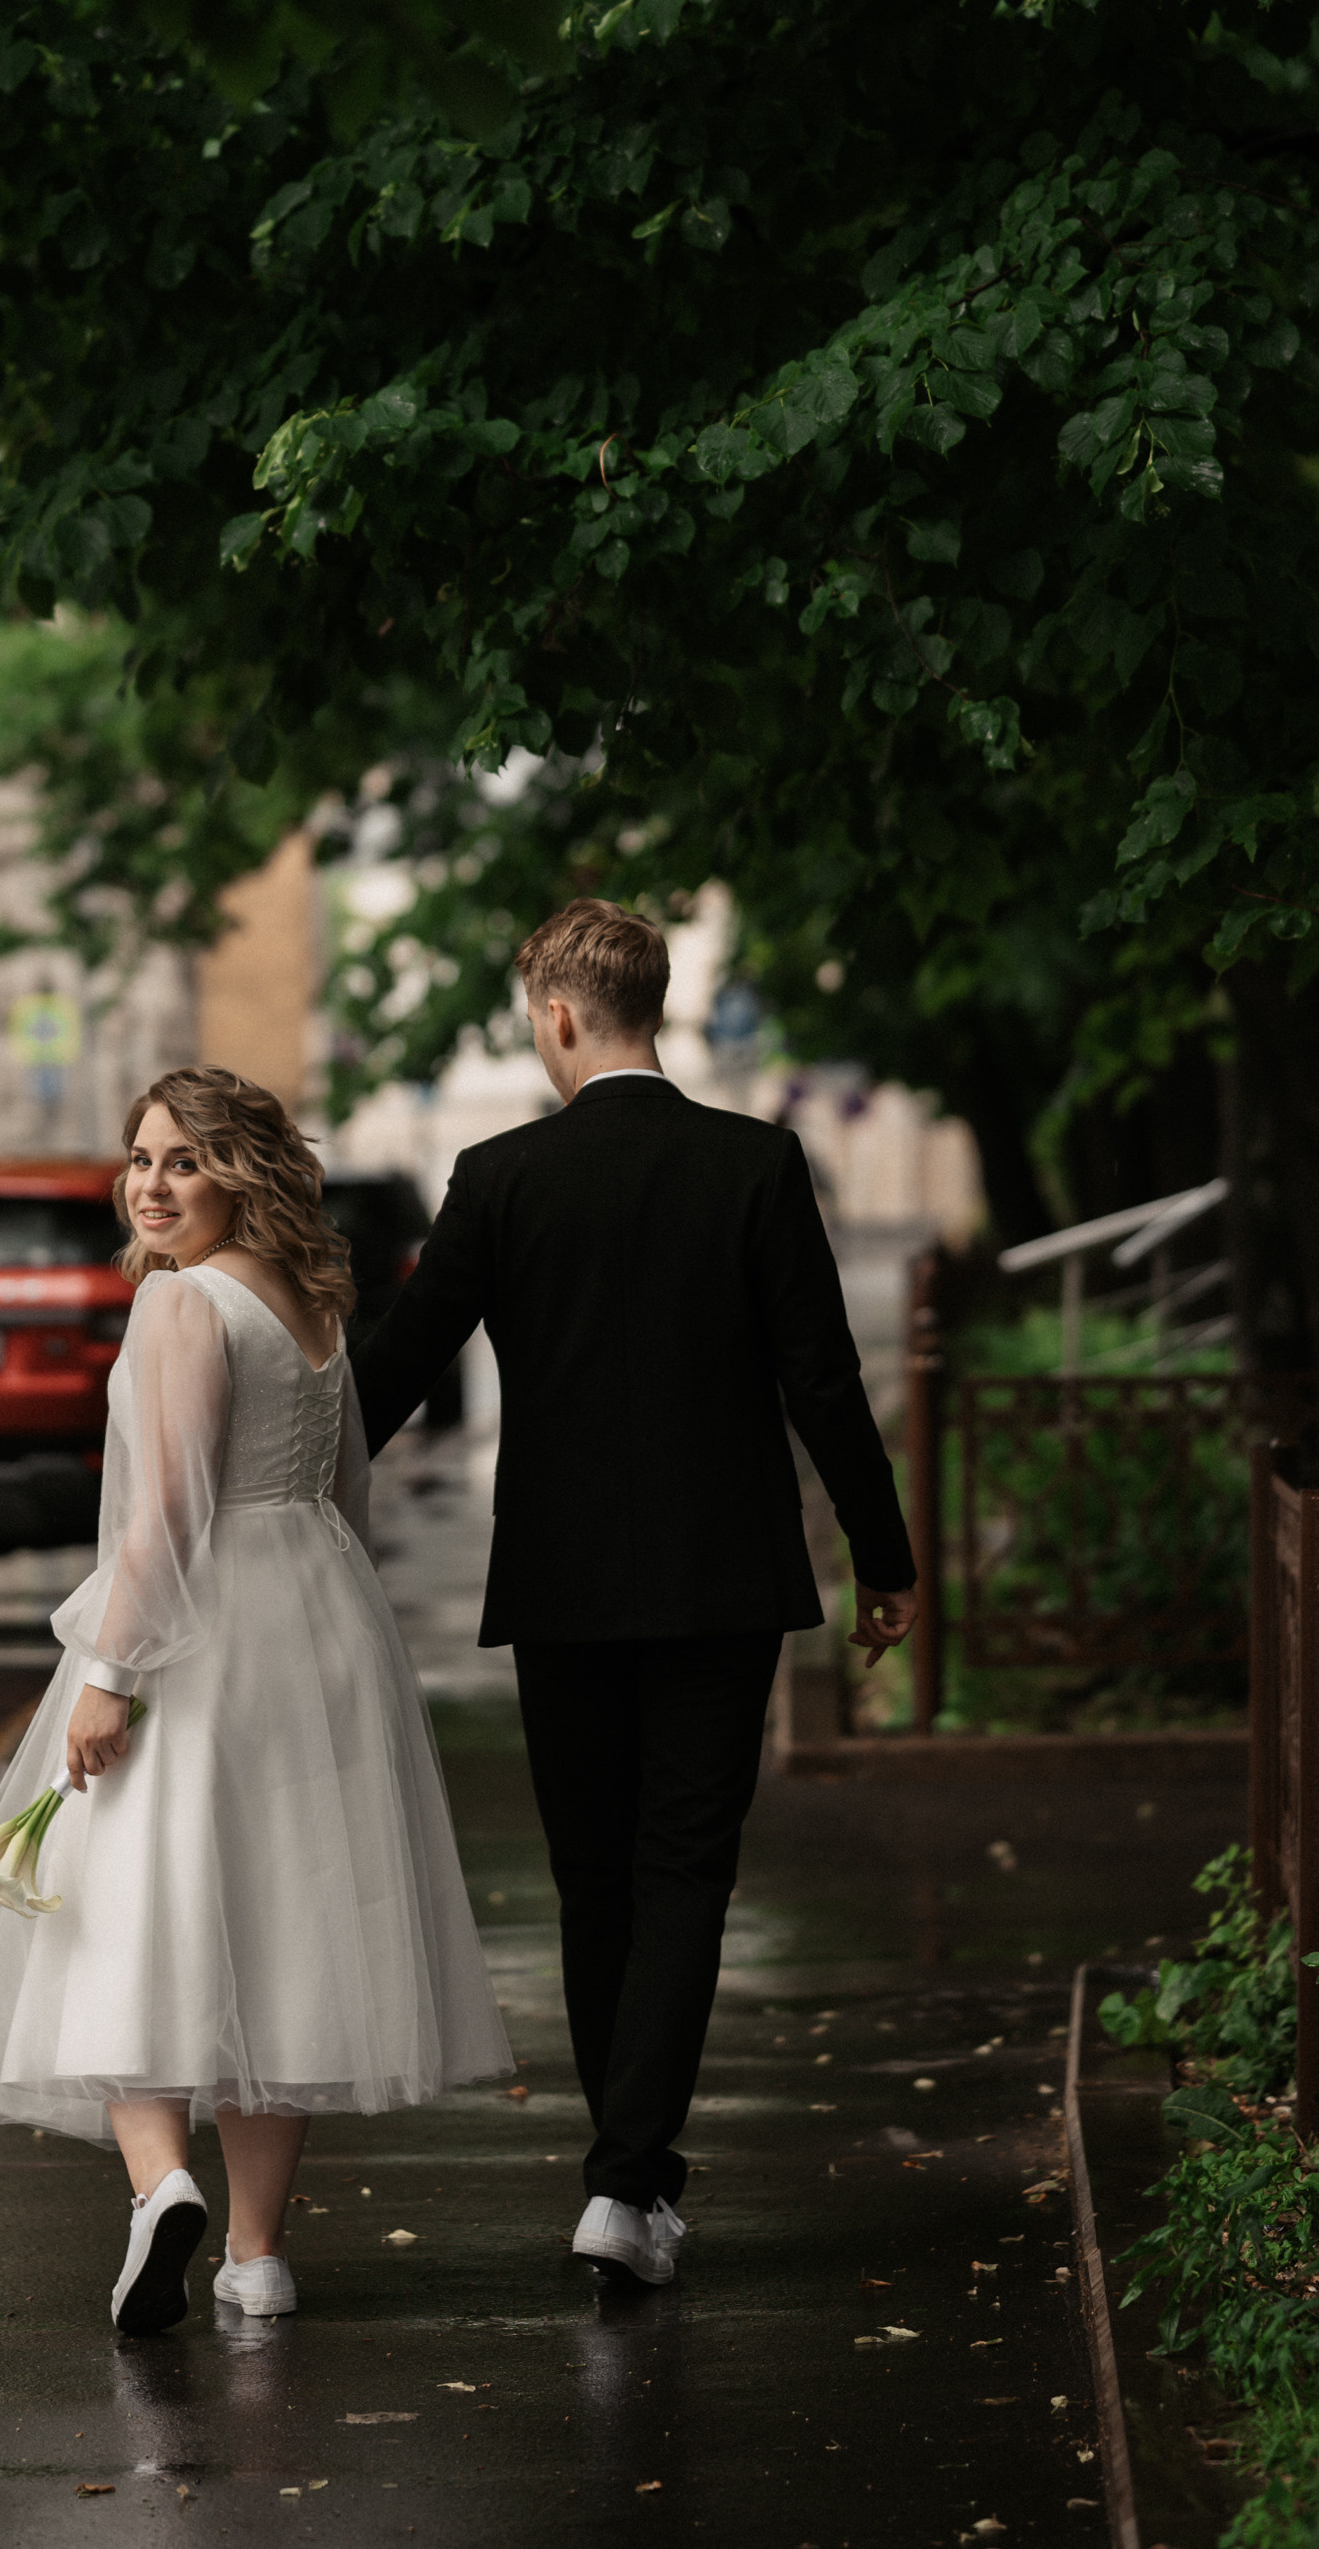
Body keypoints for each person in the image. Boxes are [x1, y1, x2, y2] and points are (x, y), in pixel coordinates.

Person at [351, 898, 918, 2291]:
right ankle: (625, 2187)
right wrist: (883, 1558)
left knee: (593, 1877)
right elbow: (822, 1381)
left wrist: (274, 1478)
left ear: (554, 1013)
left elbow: (401, 1365)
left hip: (558, 1585)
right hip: (723, 1580)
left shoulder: (496, 1178)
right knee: (682, 1874)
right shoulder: (755, 1166)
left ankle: (627, 2175)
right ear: (651, 1007)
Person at [0, 1066, 511, 2334]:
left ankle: (160, 2183)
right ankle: (257, 2257)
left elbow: (167, 1514)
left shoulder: (183, 1304)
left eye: (184, 1160)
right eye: (139, 1160)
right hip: (318, 1612)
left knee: (131, 1900)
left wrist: (110, 1675)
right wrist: (338, 1619)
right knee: (284, 1923)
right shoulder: (309, 1300)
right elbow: (345, 1487)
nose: (152, 1184)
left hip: (201, 1628)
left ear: (241, 1170)